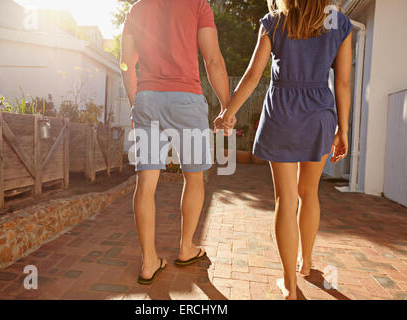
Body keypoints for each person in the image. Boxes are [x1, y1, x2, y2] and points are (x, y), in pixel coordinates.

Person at [215, 0, 353, 300]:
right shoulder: (339, 23)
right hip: (320, 115)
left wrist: (228, 113)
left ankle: (289, 285)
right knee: (309, 193)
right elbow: (343, 81)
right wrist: (343, 129)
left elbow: (253, 76)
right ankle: (306, 263)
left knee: (285, 198)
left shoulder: (275, 22)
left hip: (283, 113)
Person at [121, 0, 232, 284]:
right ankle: (186, 248)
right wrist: (226, 107)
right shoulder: (198, 5)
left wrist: (137, 103)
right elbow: (213, 60)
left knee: (145, 183)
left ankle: (148, 263)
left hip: (147, 99)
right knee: (194, 178)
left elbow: (125, 64)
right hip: (186, 100)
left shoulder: (136, 10)